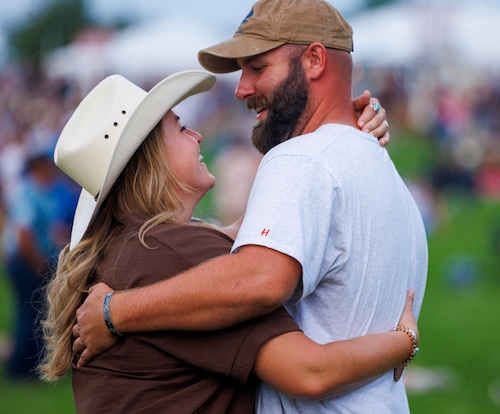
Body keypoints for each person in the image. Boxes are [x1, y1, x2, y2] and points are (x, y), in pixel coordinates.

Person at [38, 71, 418, 413]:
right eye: (181, 127)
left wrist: (338, 132)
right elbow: (310, 373)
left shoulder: (138, 247)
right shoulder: (173, 252)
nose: (198, 135)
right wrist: (404, 340)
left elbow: (261, 226)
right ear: (150, 157)